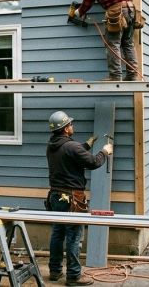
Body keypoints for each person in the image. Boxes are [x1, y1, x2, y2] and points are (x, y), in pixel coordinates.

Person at [46, 111, 113, 286]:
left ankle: (54, 271)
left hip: (55, 195)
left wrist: (86, 145)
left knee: (57, 233)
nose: (72, 126)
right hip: (72, 197)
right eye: (70, 124)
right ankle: (74, 276)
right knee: (74, 236)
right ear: (66, 128)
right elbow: (93, 162)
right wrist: (104, 152)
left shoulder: (52, 145)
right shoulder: (72, 146)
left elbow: (70, 153)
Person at [69, 0, 139, 81]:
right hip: (130, 8)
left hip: (116, 10)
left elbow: (88, 1)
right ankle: (132, 76)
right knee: (127, 43)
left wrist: (78, 12)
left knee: (113, 43)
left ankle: (115, 76)